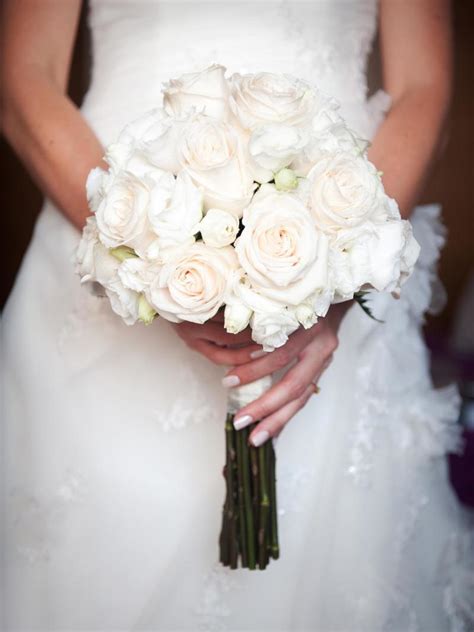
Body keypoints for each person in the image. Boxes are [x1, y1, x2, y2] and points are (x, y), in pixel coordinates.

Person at [2, 1, 473, 629]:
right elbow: (25, 78)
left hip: (337, 215)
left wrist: (330, 279)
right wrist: (143, 258)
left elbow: (423, 86)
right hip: (101, 216)